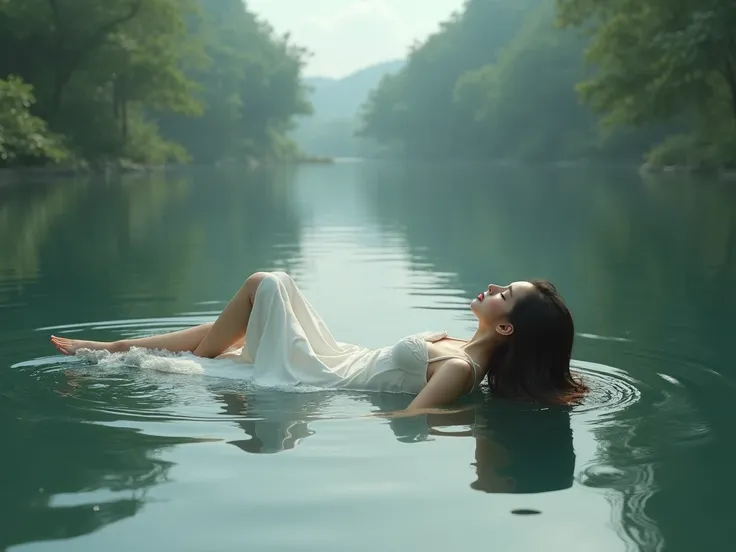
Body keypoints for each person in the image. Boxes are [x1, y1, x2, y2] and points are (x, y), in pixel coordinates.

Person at [50, 271, 588, 410]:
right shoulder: (459, 351)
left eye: (504, 294)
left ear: (506, 327)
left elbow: (412, 418)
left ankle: (115, 351)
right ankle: (113, 349)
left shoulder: (458, 370)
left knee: (267, 286)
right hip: (346, 354)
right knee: (246, 323)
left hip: (328, 375)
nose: (493, 287)